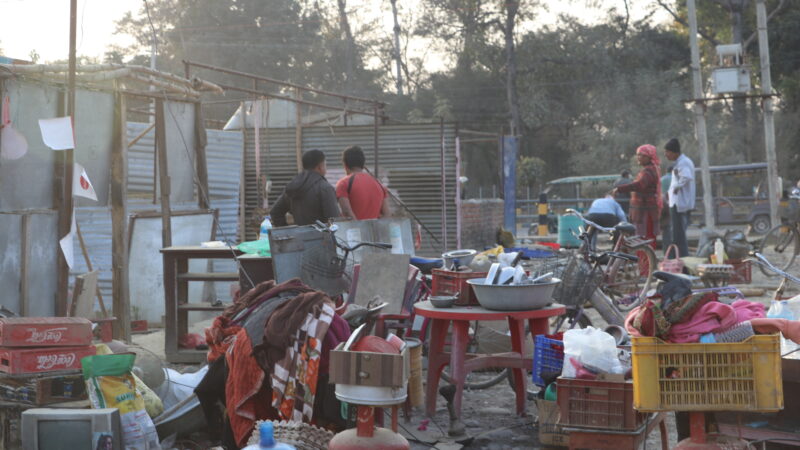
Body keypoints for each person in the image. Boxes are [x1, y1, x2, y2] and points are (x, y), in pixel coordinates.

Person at [270, 149, 340, 226]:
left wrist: (287, 232)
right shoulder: (325, 188)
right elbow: (334, 220)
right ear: (320, 167)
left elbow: (275, 212)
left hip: (299, 237)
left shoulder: (293, 186)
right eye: (325, 164)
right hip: (321, 237)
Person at [612, 144, 663, 248]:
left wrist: (620, 189)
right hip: (645, 209)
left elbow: (639, 185)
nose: (639, 157)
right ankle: (645, 262)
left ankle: (647, 262)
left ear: (650, 157)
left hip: (646, 210)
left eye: (643, 155)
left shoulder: (649, 171)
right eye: (638, 155)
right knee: (644, 237)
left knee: (645, 237)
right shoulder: (650, 169)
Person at [336, 145, 391, 220]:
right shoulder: (379, 184)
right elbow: (387, 214)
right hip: (374, 231)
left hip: (355, 230)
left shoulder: (344, 183)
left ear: (345, 164)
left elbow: (346, 212)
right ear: (363, 164)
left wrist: (359, 229)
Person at [664, 138, 695, 257]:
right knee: (677, 234)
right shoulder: (681, 162)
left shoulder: (683, 163)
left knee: (678, 236)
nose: (666, 155)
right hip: (678, 202)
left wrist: (676, 188)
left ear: (674, 152)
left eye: (667, 152)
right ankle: (678, 259)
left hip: (679, 203)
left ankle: (681, 261)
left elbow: (686, 177)